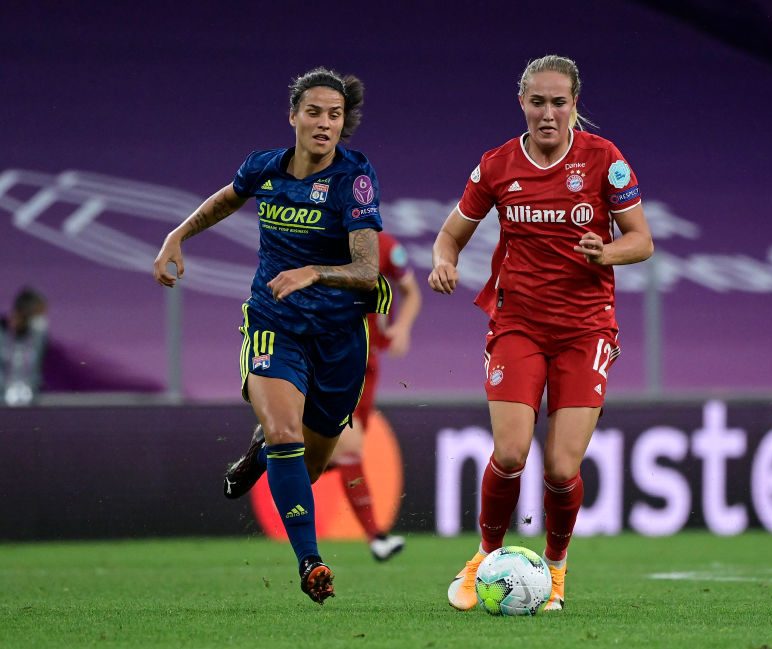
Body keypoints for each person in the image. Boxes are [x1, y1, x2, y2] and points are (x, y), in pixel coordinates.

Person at [153, 67, 391, 604]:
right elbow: (226, 198)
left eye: (335, 115)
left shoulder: (355, 178)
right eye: (314, 112)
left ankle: (261, 452)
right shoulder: (264, 167)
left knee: (310, 463)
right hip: (274, 322)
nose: (324, 123)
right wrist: (177, 234)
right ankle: (311, 563)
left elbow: (367, 271)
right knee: (287, 432)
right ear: (294, 116)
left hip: (338, 337)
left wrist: (313, 271)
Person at [428, 54, 653, 612]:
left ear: (576, 104)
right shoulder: (498, 165)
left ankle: (554, 571)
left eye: (559, 102)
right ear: (522, 103)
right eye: (538, 101)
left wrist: (607, 251)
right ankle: (484, 556)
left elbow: (642, 241)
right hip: (519, 325)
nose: (548, 113)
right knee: (509, 453)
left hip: (585, 329)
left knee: (560, 467)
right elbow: (450, 234)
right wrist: (443, 261)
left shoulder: (605, 160)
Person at [326, 230, 420, 561]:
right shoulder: (323, 240)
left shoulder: (387, 246)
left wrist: (403, 328)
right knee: (348, 447)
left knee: (331, 456)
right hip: (335, 360)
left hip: (369, 364)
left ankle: (267, 456)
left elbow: (411, 291)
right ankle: (375, 537)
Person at [0, 287, 48, 406]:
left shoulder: (38, 337)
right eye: (37, 315)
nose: (41, 320)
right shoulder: (2, 335)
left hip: (30, 405)